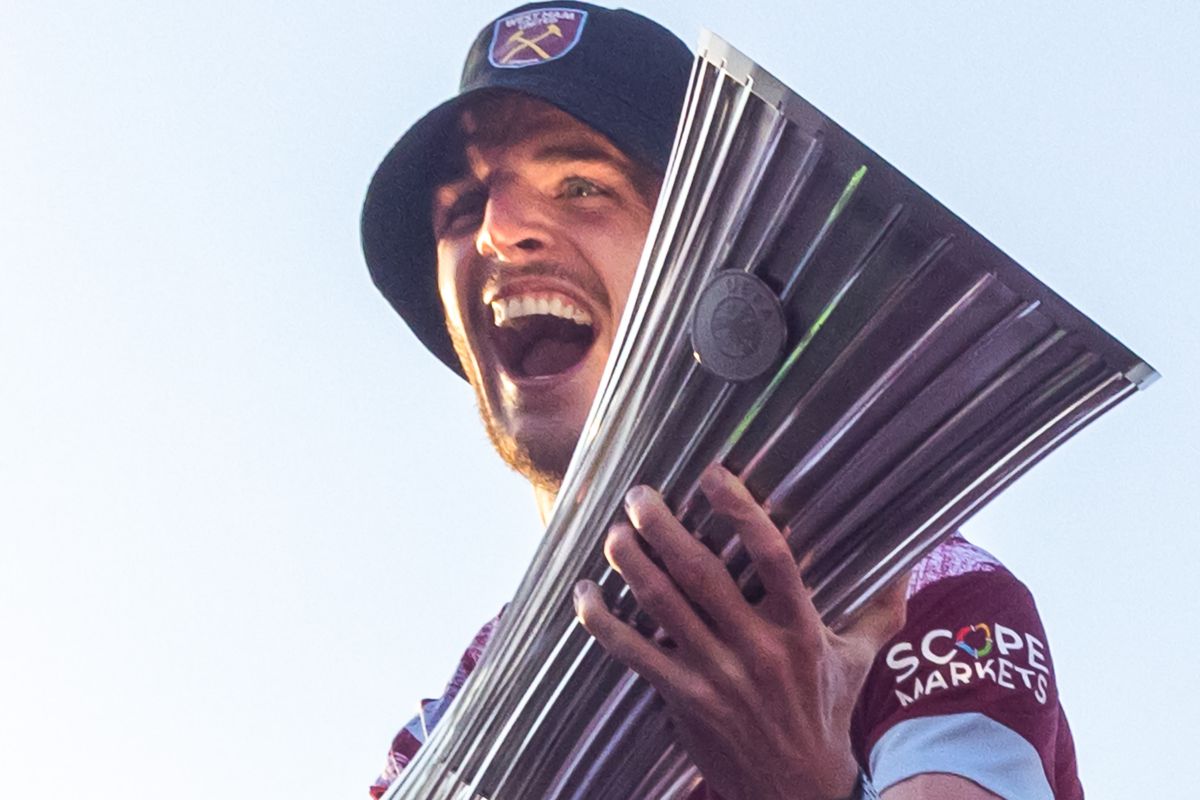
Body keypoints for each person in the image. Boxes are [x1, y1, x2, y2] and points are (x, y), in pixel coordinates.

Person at [360, 3, 1083, 798]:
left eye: (580, 185)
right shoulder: (441, 734)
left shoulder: (918, 598)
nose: (498, 230)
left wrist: (803, 782)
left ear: (709, 269)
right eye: (463, 209)